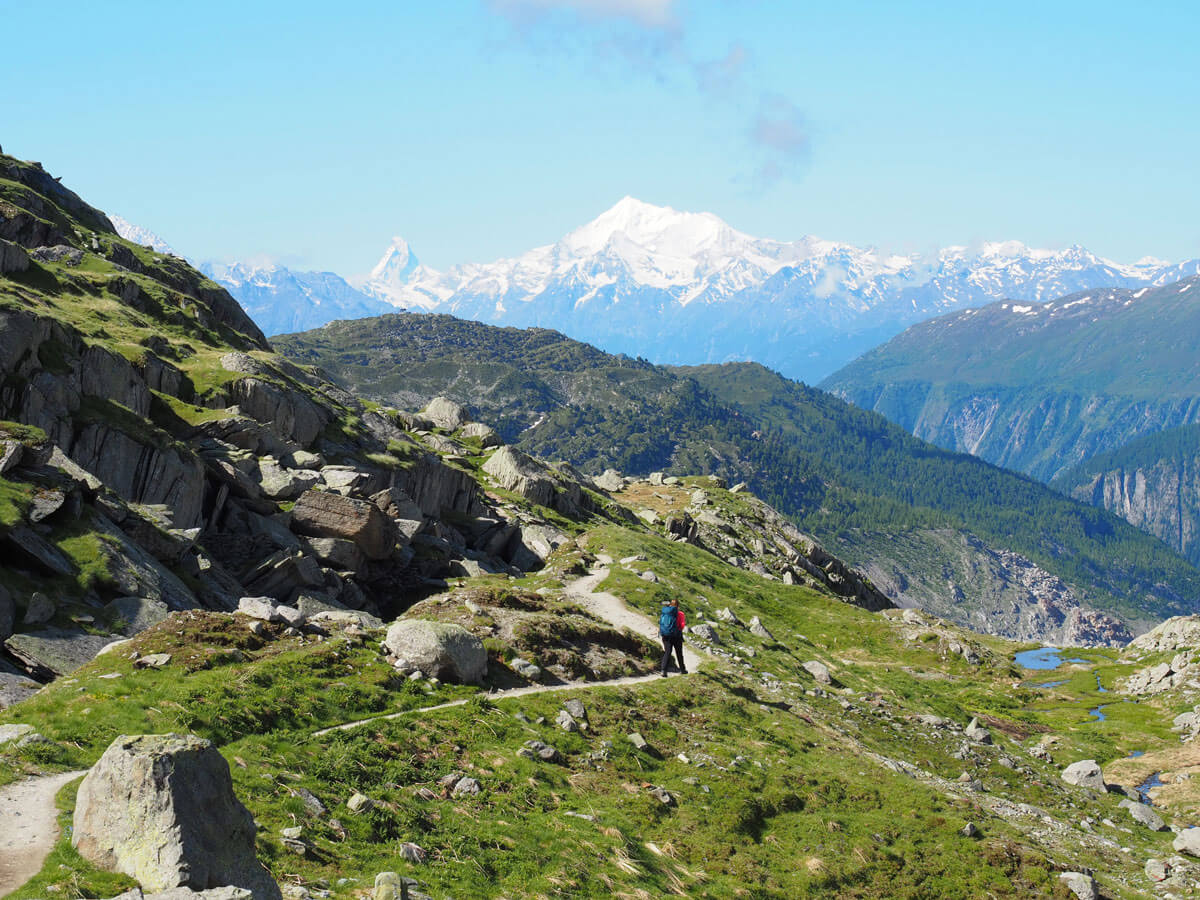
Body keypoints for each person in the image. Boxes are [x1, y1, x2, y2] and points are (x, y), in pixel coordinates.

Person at [658, 597, 687, 676]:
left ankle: (663, 671)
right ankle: (682, 670)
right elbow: (682, 625)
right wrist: (678, 630)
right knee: (679, 653)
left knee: (667, 652)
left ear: (670, 604)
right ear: (678, 606)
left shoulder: (665, 612)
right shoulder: (680, 614)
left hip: (666, 635)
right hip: (676, 636)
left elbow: (661, 622)